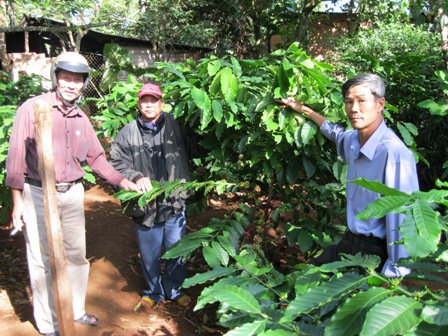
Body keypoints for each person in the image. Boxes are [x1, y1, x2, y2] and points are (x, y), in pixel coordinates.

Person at [6, 51, 140, 336]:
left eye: (78, 80)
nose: (72, 85)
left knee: (76, 254)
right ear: (56, 78)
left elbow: (97, 158)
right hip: (38, 193)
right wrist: (17, 203)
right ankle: (49, 323)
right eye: (67, 78)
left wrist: (123, 181)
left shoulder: (81, 117)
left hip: (71, 193)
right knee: (42, 258)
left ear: (83, 84)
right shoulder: (32, 109)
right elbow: (16, 159)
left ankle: (75, 308)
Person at [278, 73, 419, 278]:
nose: (354, 108)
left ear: (380, 104)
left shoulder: (392, 154)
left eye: (362, 101)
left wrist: (394, 275)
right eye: (349, 102)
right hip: (350, 243)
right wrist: (303, 109)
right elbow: (334, 132)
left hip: (375, 256)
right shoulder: (353, 141)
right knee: (303, 277)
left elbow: (403, 218)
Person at [110, 83, 193, 312]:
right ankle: (153, 292)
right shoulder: (128, 132)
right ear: (138, 104)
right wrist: (135, 176)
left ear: (161, 104)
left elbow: (194, 147)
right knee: (149, 253)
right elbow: (117, 162)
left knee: (176, 248)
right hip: (145, 205)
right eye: (144, 100)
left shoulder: (175, 126)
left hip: (173, 199)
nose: (148, 104)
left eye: (153, 100)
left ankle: (174, 289)